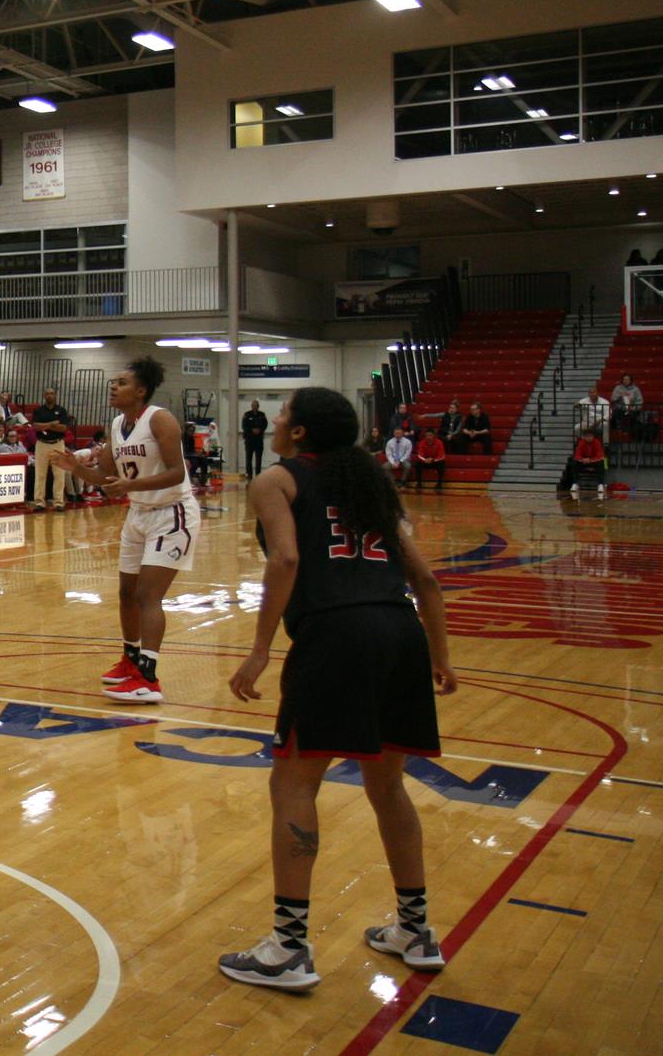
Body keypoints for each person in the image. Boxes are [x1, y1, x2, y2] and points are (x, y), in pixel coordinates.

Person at [219, 387, 457, 991]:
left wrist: (260, 649)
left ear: (299, 433)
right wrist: (440, 657)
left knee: (295, 782)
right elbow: (425, 579)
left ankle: (289, 948)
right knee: (389, 786)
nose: (275, 420)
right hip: (398, 632)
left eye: (284, 414)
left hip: (335, 637)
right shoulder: (373, 483)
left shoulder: (275, 479)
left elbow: (287, 561)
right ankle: (416, 929)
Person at [52, 357, 197, 704]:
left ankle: (149, 677)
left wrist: (132, 485)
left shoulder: (160, 419)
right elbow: (104, 478)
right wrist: (76, 468)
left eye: (122, 382)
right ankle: (131, 660)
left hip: (171, 512)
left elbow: (178, 472)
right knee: (125, 594)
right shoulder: (117, 424)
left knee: (149, 595)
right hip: (139, 515)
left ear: (141, 390)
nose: (113, 387)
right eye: (113, 382)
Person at [30, 387, 73, 509]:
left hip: (58, 444)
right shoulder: (38, 410)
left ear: (55, 396)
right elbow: (36, 427)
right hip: (41, 444)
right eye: (47, 393)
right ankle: (39, 502)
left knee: (59, 474)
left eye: (52, 393)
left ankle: (59, 502)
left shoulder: (62, 410)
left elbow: (63, 428)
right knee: (40, 474)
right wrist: (52, 424)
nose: (49, 396)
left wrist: (45, 426)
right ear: (44, 396)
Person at [560, 427, 608, 496]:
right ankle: (575, 483)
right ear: (584, 437)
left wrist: (590, 460)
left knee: (602, 463)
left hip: (594, 462)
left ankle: (600, 484)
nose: (589, 438)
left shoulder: (597, 443)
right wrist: (583, 459)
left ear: (593, 436)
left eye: (590, 436)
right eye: (587, 436)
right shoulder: (581, 442)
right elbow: (577, 455)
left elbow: (600, 455)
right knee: (574, 463)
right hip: (584, 462)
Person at [241, 399, 269, 478]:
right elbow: (244, 426)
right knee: (248, 459)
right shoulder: (247, 414)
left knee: (258, 459)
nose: (254, 407)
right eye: (253, 405)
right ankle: (249, 475)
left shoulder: (262, 414)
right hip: (249, 440)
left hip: (259, 440)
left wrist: (260, 430)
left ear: (258, 406)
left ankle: (258, 475)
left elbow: (265, 424)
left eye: (255, 405)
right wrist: (252, 430)